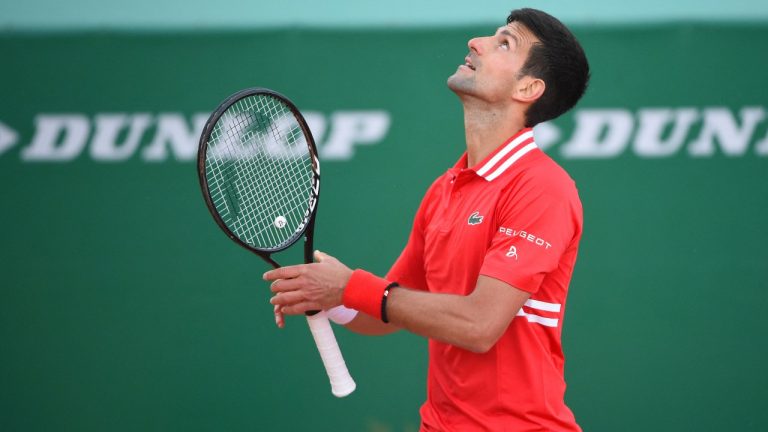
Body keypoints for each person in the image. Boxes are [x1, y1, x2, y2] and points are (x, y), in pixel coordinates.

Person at [264, 8, 590, 431]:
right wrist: (329, 297)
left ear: (528, 87)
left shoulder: (542, 187)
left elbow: (479, 325)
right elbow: (383, 309)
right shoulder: (446, 189)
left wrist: (349, 286)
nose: (476, 42)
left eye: (504, 43)